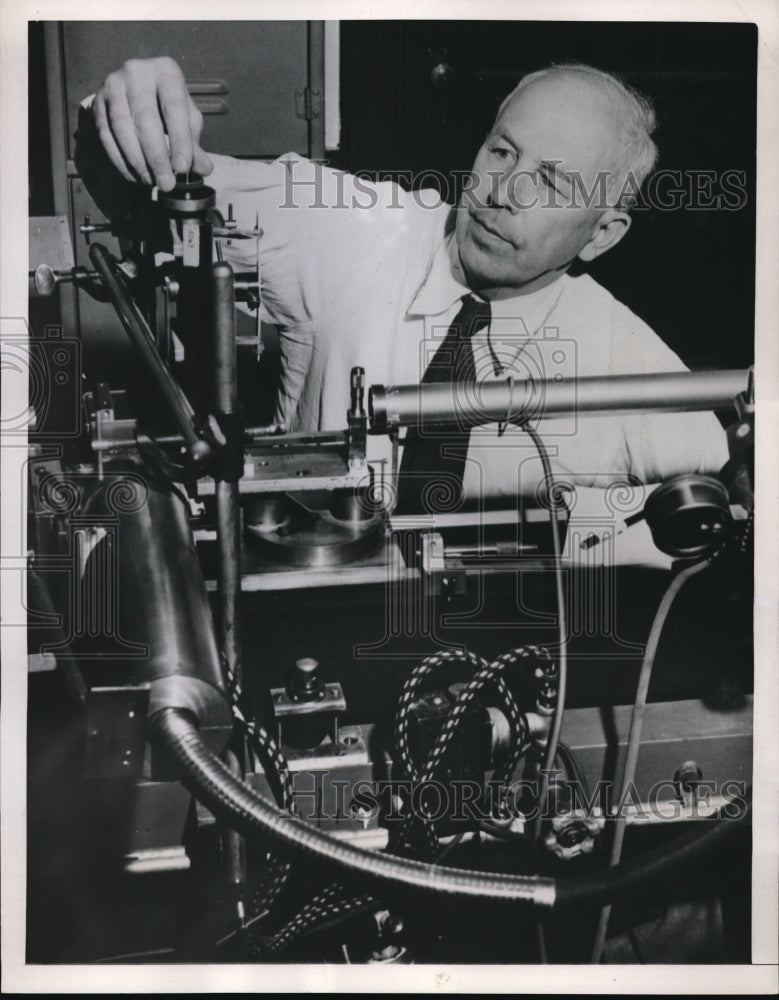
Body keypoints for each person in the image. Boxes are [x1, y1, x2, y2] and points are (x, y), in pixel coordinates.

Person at [75, 57, 729, 517]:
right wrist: (126, 118)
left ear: (601, 235)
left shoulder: (633, 367)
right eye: (502, 152)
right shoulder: (361, 227)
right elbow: (168, 189)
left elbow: (724, 498)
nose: (501, 193)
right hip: (303, 605)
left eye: (553, 182)